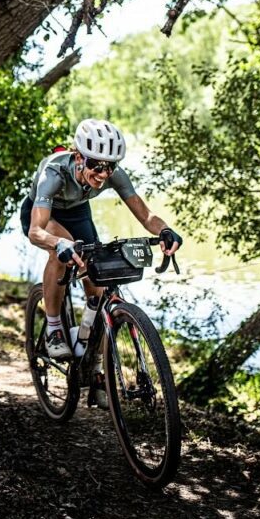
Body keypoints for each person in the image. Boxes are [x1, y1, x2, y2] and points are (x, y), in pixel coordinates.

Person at [20, 118, 182, 406]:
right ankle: (55, 327)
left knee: (99, 286)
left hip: (78, 214)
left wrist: (165, 231)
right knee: (64, 254)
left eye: (110, 166)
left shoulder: (112, 175)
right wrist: (59, 244)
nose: (103, 173)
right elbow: (36, 231)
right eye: (96, 164)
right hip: (45, 218)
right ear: (79, 157)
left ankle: (93, 363)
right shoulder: (54, 173)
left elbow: (146, 215)